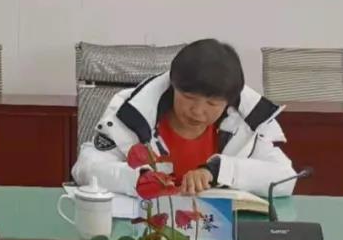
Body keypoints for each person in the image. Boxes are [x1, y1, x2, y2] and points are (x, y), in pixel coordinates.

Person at [72, 39, 297, 198]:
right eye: (189, 98)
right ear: (173, 86)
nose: (198, 112)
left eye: (212, 104)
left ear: (229, 101)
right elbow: (86, 168)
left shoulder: (246, 121)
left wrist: (217, 171)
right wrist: (137, 178)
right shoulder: (133, 113)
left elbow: (285, 179)